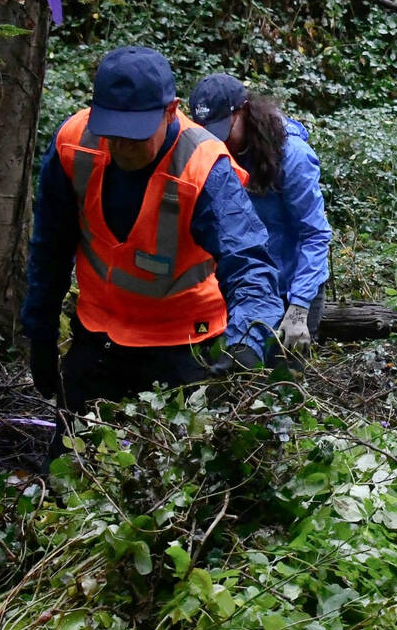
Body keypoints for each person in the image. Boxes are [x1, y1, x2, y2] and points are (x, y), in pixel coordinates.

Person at [21, 47, 284, 424]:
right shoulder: (74, 143)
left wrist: (245, 343)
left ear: (170, 110)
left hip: (184, 340)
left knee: (179, 473)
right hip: (99, 333)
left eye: (135, 135)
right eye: (112, 133)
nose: (122, 147)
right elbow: (50, 246)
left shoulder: (204, 166)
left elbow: (250, 264)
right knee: (72, 465)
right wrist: (41, 333)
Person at [188, 74, 331, 357]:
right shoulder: (210, 154)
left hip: (291, 285)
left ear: (243, 112)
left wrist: (299, 306)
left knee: (283, 379)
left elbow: (314, 235)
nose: (219, 142)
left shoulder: (292, 156)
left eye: (223, 130)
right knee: (234, 367)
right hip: (242, 283)